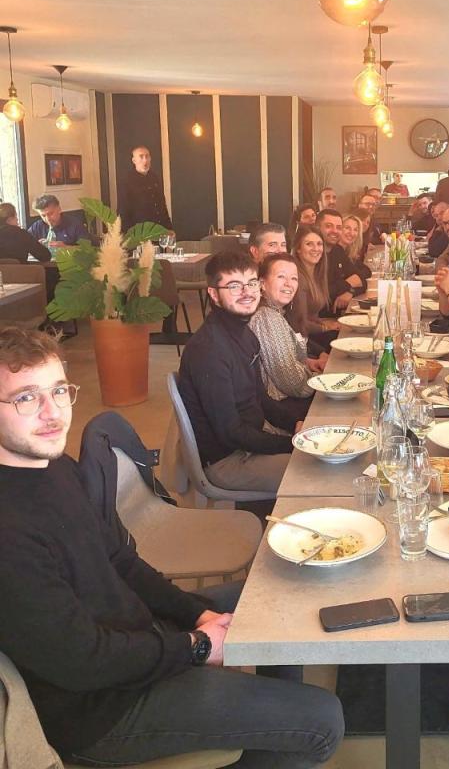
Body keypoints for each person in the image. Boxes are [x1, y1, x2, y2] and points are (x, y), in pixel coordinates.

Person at [0, 326, 344, 768]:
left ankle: (268, 717)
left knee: (283, 592)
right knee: (322, 719)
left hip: (138, 636)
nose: (52, 413)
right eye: (26, 398)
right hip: (102, 708)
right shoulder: (9, 533)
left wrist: (194, 614)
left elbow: (120, 560)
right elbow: (83, 660)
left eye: (59, 391)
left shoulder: (53, 465)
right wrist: (196, 646)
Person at [178, 252, 294, 497]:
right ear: (214, 294)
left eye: (251, 283)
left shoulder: (245, 334)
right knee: (317, 472)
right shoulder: (208, 351)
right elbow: (230, 433)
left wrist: (296, 425)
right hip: (228, 461)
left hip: (251, 440)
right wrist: (293, 444)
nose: (247, 292)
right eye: (234, 286)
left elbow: (261, 399)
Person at [249, 253, 323, 425]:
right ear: (262, 284)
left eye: (294, 278)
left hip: (285, 401)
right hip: (279, 410)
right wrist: (320, 378)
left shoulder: (276, 312)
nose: (289, 284)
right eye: (281, 276)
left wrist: (307, 364)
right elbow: (292, 383)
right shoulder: (267, 318)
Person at [291, 225, 337, 346]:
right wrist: (325, 327)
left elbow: (309, 316)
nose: (316, 249)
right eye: (309, 244)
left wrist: (325, 323)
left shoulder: (317, 273)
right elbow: (299, 324)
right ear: (298, 249)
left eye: (319, 244)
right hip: (304, 341)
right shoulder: (298, 278)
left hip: (312, 333)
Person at [317, 208, 364, 312]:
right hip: (322, 317)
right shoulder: (315, 254)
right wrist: (348, 284)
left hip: (337, 313)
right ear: (318, 227)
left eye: (338, 227)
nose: (334, 231)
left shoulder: (337, 250)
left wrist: (350, 292)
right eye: (328, 226)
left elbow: (362, 279)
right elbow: (322, 294)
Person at [118, 146, 173, 233]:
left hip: (158, 229)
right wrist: (127, 234)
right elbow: (123, 210)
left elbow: (162, 206)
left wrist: (169, 228)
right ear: (134, 160)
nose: (145, 160)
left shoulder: (155, 178)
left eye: (147, 156)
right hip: (139, 232)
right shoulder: (127, 181)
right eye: (141, 156)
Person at [341, 214, 372, 283]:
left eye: (355, 230)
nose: (352, 233)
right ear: (339, 229)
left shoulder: (348, 252)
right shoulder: (335, 252)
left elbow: (367, 271)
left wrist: (356, 278)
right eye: (347, 228)